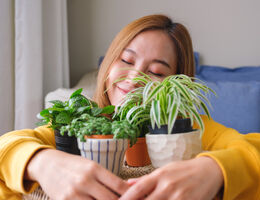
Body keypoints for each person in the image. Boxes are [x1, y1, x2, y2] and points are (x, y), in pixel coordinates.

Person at [0, 14, 259, 200]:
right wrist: (42, 162)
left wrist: (214, 169)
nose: (135, 78)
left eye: (156, 72)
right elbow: (10, 145)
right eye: (126, 59)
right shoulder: (85, 118)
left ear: (176, 84)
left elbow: (252, 148)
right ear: (109, 62)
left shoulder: (190, 129)